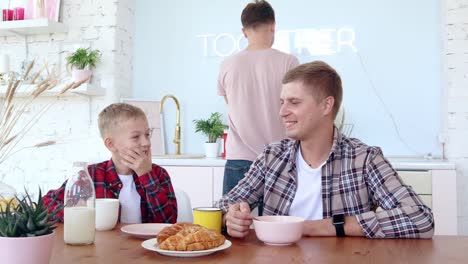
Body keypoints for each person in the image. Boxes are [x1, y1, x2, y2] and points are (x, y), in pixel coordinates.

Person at [218, 61, 434, 239]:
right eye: (282, 102)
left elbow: (420, 218)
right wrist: (231, 217)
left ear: (326, 106)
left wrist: (322, 227)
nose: (282, 111)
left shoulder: (364, 159)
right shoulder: (272, 156)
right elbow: (224, 205)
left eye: (294, 102)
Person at [217, 0, 299, 198]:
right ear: (273, 26)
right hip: (280, 159)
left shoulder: (227, 64)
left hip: (239, 159)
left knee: (232, 225)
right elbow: (297, 107)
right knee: (279, 227)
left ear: (244, 31)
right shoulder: (289, 62)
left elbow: (231, 103)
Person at [43, 103, 178, 224]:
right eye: (136, 137)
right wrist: (80, 215)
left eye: (147, 134)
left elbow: (168, 221)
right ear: (111, 144)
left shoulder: (159, 174)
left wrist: (146, 175)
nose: (146, 143)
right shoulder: (90, 176)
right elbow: (46, 205)